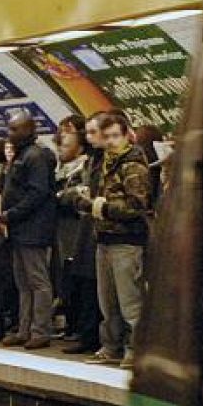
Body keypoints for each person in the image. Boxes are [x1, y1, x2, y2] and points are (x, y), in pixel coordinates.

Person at [80, 110, 150, 367]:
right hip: (105, 238)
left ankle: (135, 349)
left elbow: (137, 205)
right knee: (107, 301)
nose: (110, 141)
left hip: (127, 241)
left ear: (126, 136)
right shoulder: (107, 163)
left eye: (115, 136)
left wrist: (102, 207)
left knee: (130, 300)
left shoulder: (133, 165)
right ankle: (111, 345)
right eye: (106, 136)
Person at [0, 108, 58, 349]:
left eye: (14, 129)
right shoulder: (23, 155)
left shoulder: (36, 156)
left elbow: (38, 193)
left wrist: (11, 213)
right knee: (23, 282)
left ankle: (40, 330)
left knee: (38, 280)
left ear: (29, 129)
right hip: (20, 228)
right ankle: (25, 328)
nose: (9, 133)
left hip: (33, 228)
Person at [54, 118, 101, 354]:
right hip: (85, 231)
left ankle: (101, 339)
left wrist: (73, 196)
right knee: (83, 285)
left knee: (96, 288)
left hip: (94, 231)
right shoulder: (93, 162)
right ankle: (87, 335)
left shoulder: (93, 164)